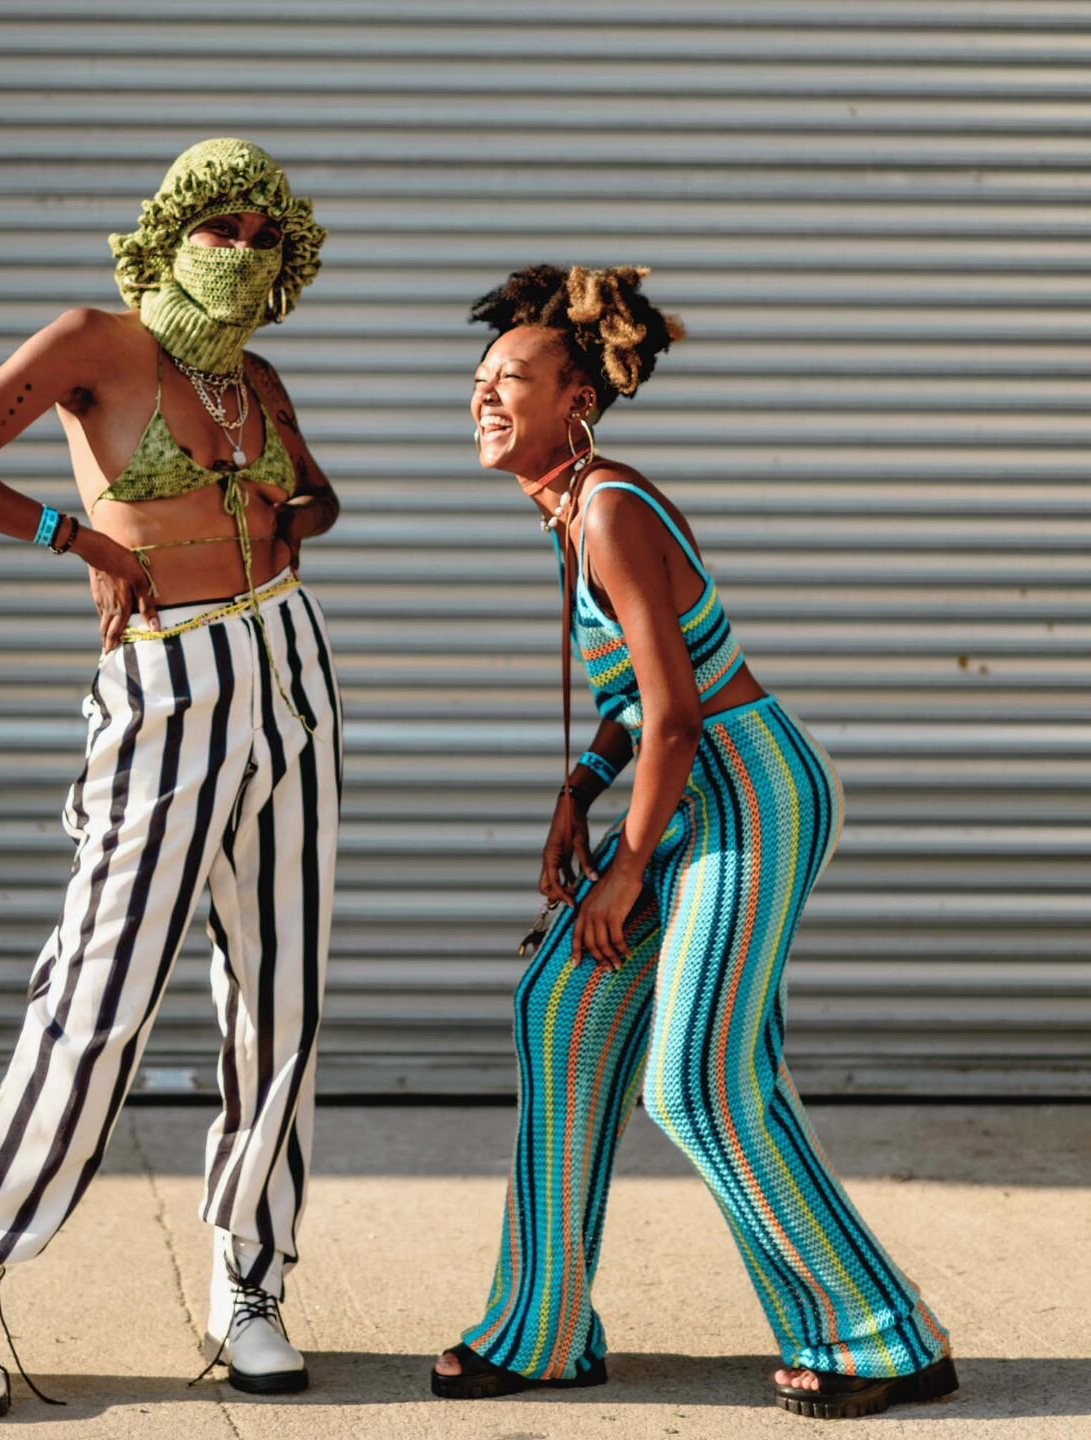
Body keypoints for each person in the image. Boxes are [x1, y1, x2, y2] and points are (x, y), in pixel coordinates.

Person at [430, 264, 957, 1421]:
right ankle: (543, 1329)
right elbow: (643, 698)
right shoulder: (575, 508)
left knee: (698, 1082)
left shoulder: (610, 507)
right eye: (477, 378)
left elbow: (679, 713)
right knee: (557, 1008)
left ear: (578, 401)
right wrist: (582, 787)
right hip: (695, 789)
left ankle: (882, 1336)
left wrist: (625, 865)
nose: (481, 395)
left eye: (509, 378)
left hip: (750, 792)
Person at [0, 138, 344, 1419]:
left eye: (267, 239)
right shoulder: (93, 341)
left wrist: (281, 512)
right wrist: (83, 535)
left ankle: (252, 1280)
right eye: (223, 230)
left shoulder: (258, 376)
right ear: (173, 230)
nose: (243, 254)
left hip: (294, 671)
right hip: (169, 683)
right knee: (98, 1001)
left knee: (283, 1001)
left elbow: (319, 503)